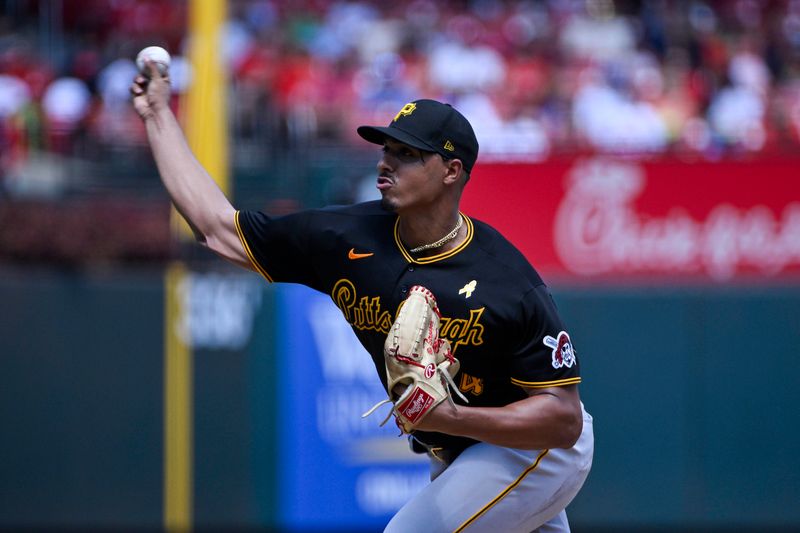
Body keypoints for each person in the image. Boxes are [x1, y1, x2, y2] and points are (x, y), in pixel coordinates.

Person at [131, 61, 593, 532]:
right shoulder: (344, 236)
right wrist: (157, 115)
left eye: (409, 153)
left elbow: (562, 419)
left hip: (535, 451)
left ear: (452, 170)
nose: (386, 161)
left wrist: (449, 417)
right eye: (386, 147)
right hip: (459, 455)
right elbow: (217, 229)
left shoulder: (505, 278)